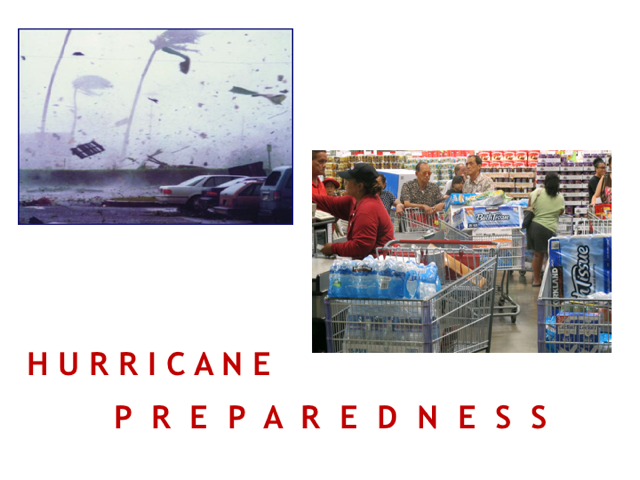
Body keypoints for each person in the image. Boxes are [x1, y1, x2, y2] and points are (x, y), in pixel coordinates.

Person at [312, 163, 394, 260]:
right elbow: (330, 203)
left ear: (359, 186)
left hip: (378, 265)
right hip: (368, 261)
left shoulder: (368, 209)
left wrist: (333, 248)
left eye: (348, 181)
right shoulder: (355, 200)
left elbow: (361, 246)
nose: (345, 183)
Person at [527, 172, 565, 287]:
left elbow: (530, 205)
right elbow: (560, 212)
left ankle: (536, 280)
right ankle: (547, 282)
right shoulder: (560, 198)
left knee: (538, 256)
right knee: (550, 255)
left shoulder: (537, 192)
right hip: (550, 229)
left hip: (535, 228)